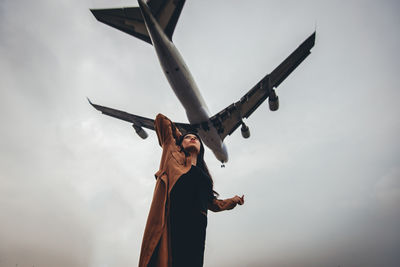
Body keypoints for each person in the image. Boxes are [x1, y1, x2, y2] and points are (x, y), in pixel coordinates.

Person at [138, 114, 244, 267]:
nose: (193, 138)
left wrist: (233, 201)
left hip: (197, 230)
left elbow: (213, 204)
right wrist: (181, 137)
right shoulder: (172, 155)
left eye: (196, 138)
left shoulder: (204, 177)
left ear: (202, 149)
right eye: (188, 138)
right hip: (175, 225)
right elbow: (161, 120)